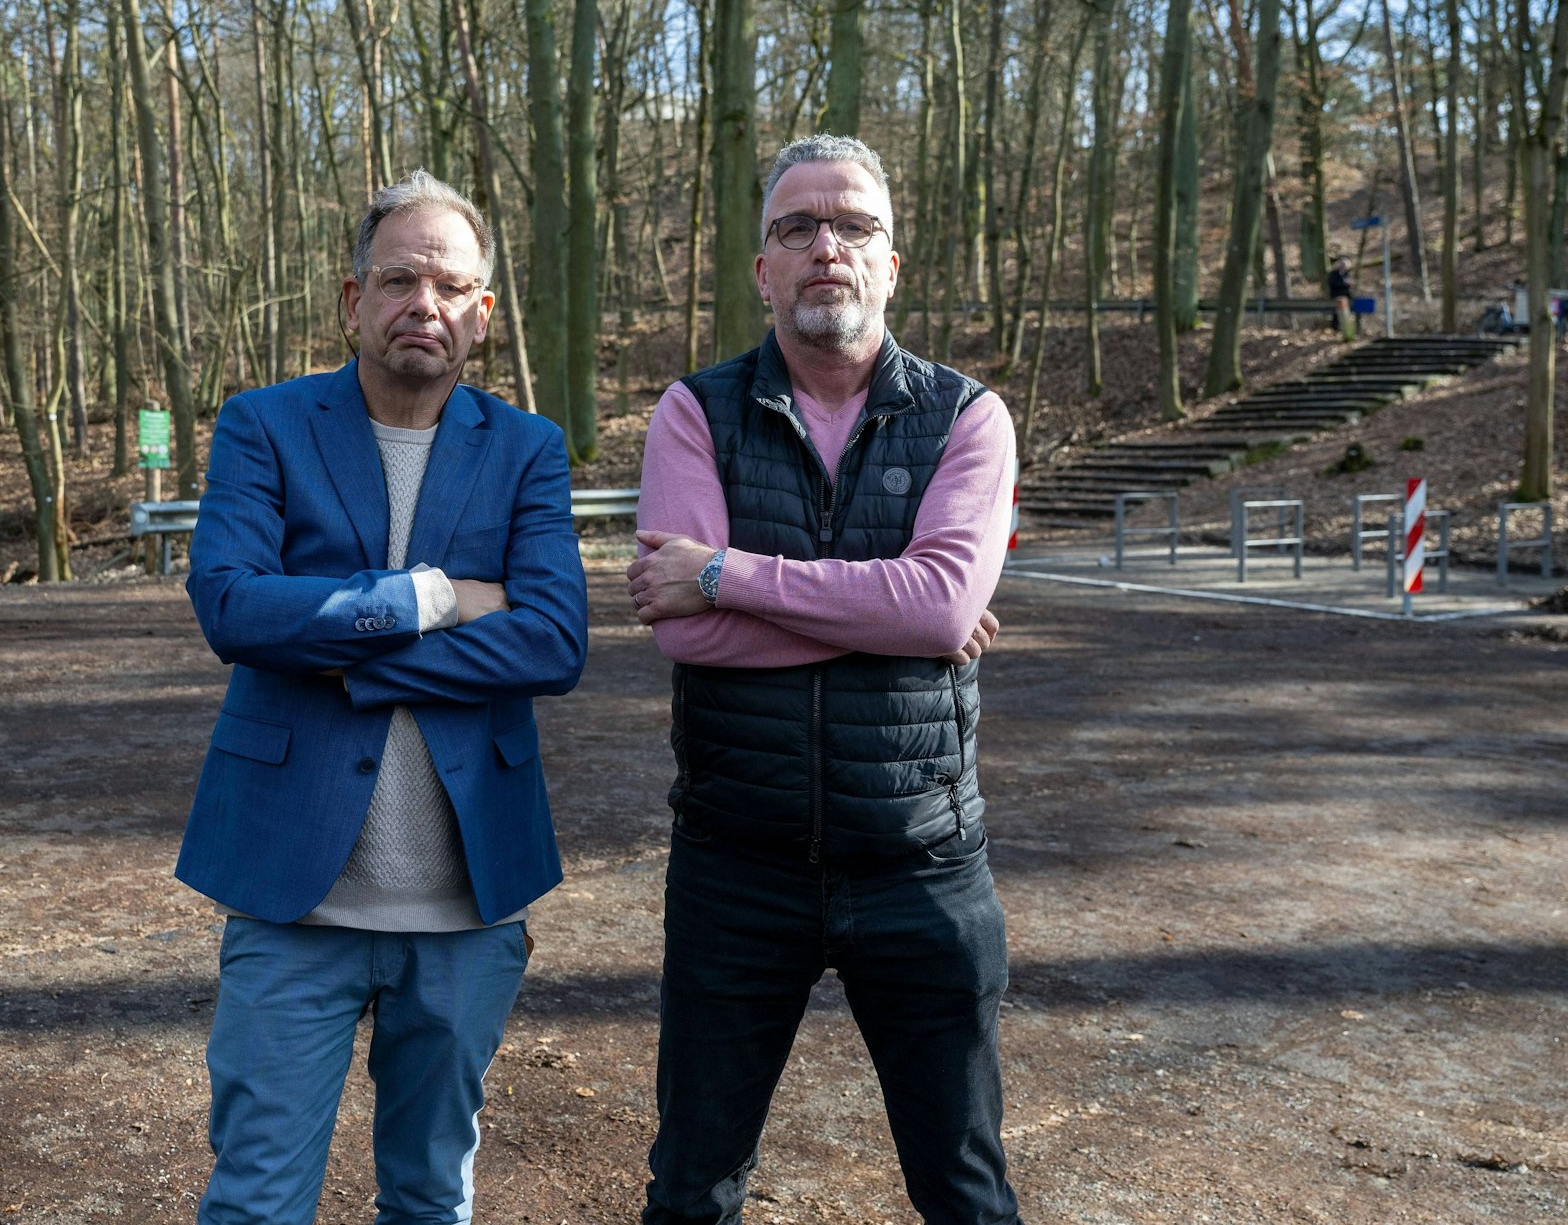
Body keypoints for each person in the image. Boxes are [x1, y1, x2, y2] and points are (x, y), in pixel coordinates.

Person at [178, 170, 587, 1224]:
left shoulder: (527, 448)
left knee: (427, 1192)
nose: (426, 305)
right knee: (258, 1196)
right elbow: (231, 608)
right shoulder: (262, 425)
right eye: (400, 278)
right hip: (291, 894)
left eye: (452, 285)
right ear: (351, 298)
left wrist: (337, 650)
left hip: (465, 901)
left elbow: (551, 640)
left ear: (482, 315)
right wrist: (437, 596)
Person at [627, 134, 1019, 1225]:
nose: (823, 246)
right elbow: (687, 640)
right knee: (690, 1189)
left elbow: (939, 604)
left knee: (966, 1191)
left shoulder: (965, 416)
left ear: (891, 262)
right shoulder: (692, 412)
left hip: (923, 866)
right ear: (762, 269)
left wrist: (724, 574)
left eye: (851, 225)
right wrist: (900, 616)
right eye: (795, 226)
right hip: (734, 867)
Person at [1327, 254, 1356, 338]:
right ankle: (1335, 330)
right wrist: (1345, 284)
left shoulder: (1346, 274)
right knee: (1336, 315)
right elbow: (1333, 284)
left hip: (1345, 297)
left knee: (1347, 314)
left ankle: (1344, 328)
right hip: (1336, 296)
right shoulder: (1333, 274)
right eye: (1342, 264)